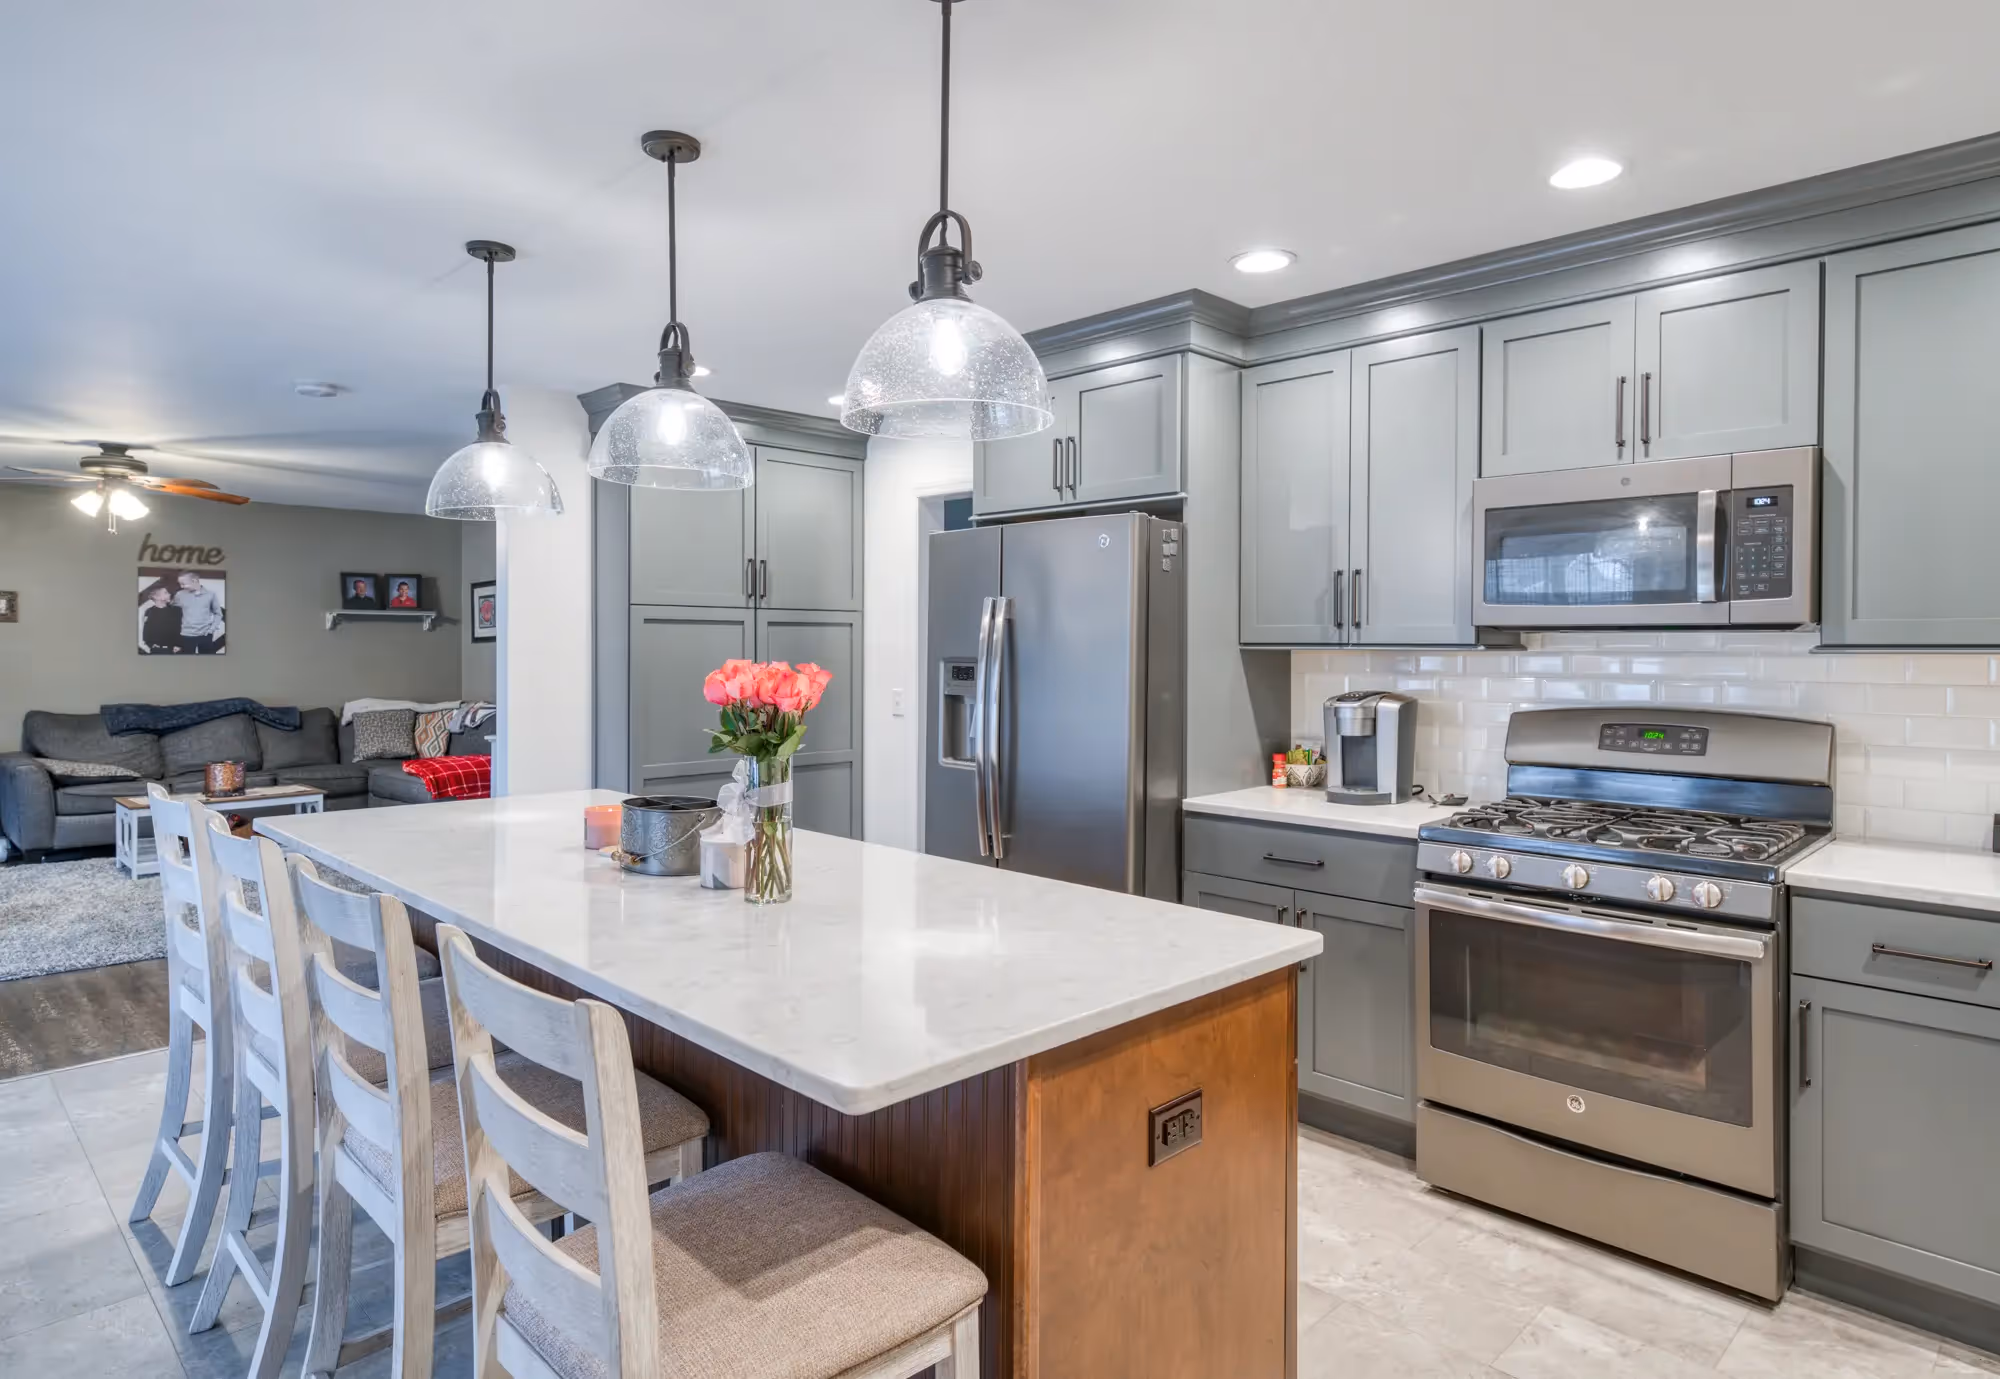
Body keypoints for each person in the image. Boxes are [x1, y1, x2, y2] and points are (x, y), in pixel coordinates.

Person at [173, 570, 226, 654]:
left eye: (183, 584)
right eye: (180, 584)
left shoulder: (210, 595)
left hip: (205, 635)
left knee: (207, 662)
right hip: (186, 635)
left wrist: (211, 630)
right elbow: (174, 612)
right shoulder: (179, 595)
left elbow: (218, 614)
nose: (181, 586)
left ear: (194, 581)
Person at [138, 585, 182, 654]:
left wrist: (179, 645)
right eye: (165, 593)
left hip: (173, 650)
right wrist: (150, 645)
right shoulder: (149, 612)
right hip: (156, 651)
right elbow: (147, 631)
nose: (169, 594)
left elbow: (180, 628)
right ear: (156, 597)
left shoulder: (177, 611)